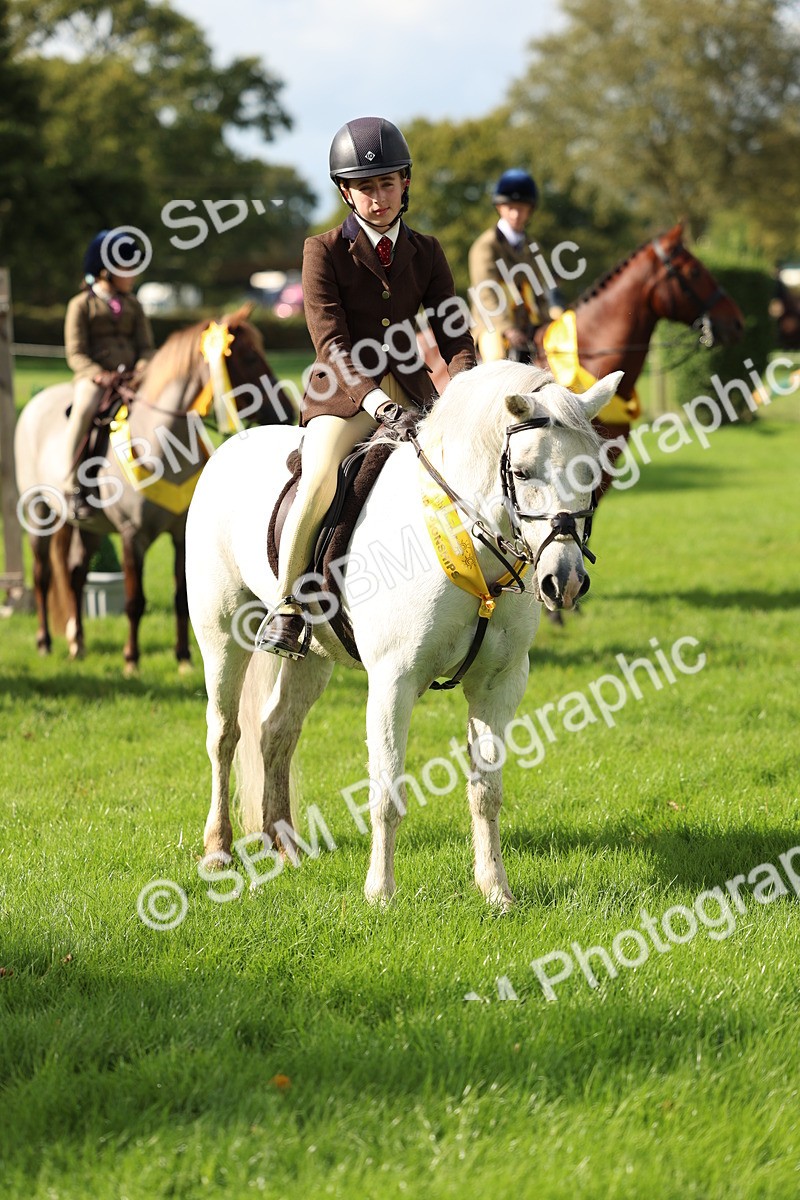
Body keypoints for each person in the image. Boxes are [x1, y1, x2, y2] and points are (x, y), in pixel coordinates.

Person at [256, 116, 477, 658]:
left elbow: (453, 331)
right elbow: (328, 341)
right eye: (364, 187)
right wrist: (375, 402)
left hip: (412, 390)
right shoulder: (322, 250)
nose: (377, 199)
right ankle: (287, 606)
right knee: (320, 476)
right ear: (345, 191)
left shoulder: (427, 251)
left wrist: (467, 389)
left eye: (386, 184)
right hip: (347, 394)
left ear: (404, 183)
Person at [62, 230, 154, 519]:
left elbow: (147, 348)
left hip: (131, 379)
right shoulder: (80, 305)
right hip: (95, 379)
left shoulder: (134, 305)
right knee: (84, 408)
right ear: (106, 271)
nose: (134, 275)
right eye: (127, 268)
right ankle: (72, 482)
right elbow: (75, 352)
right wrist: (96, 374)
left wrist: (141, 368)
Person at [468, 169, 564, 364]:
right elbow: (486, 294)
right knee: (496, 359)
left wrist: (547, 323)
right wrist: (507, 328)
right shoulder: (486, 246)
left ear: (530, 210)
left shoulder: (532, 247)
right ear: (500, 207)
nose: (515, 213)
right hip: (492, 324)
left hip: (529, 324)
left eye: (521, 208)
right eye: (509, 207)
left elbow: (539, 291)